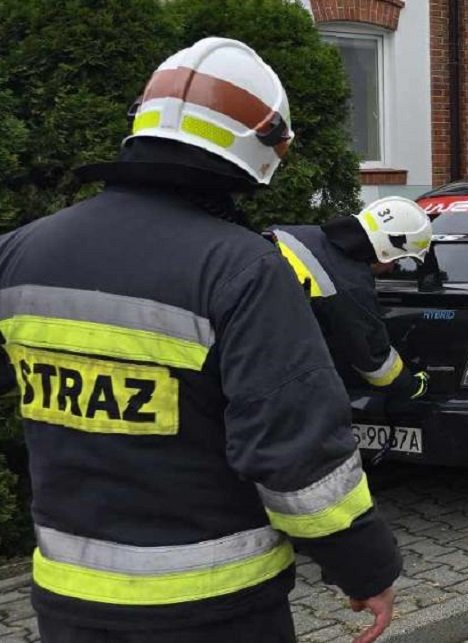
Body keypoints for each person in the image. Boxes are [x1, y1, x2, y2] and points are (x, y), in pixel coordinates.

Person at [0, 38, 400, 642]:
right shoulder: (242, 269)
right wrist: (365, 567)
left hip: (69, 603)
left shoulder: (21, 252)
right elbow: (296, 457)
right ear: (258, 145)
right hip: (218, 607)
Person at [268, 196, 432, 401]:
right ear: (386, 248)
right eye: (397, 260)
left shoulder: (299, 234)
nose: (392, 269)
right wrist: (413, 385)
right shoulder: (351, 284)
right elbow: (375, 365)